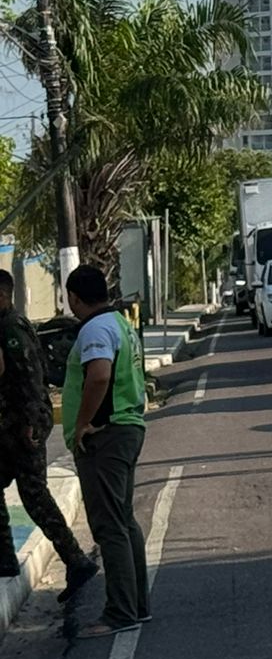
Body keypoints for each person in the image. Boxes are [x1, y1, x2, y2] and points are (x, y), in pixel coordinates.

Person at [61, 265, 147, 638]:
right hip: (126, 428)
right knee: (124, 520)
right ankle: (136, 604)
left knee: (110, 526)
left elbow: (98, 375)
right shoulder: (120, 322)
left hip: (106, 435)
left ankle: (120, 612)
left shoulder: (95, 328)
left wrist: (82, 423)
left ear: (75, 298)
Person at [0, 269, 97, 597]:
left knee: (35, 496)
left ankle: (75, 559)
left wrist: (29, 422)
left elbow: (28, 377)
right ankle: (7, 558)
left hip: (21, 426)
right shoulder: (12, 324)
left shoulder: (10, 328)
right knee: (30, 494)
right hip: (14, 424)